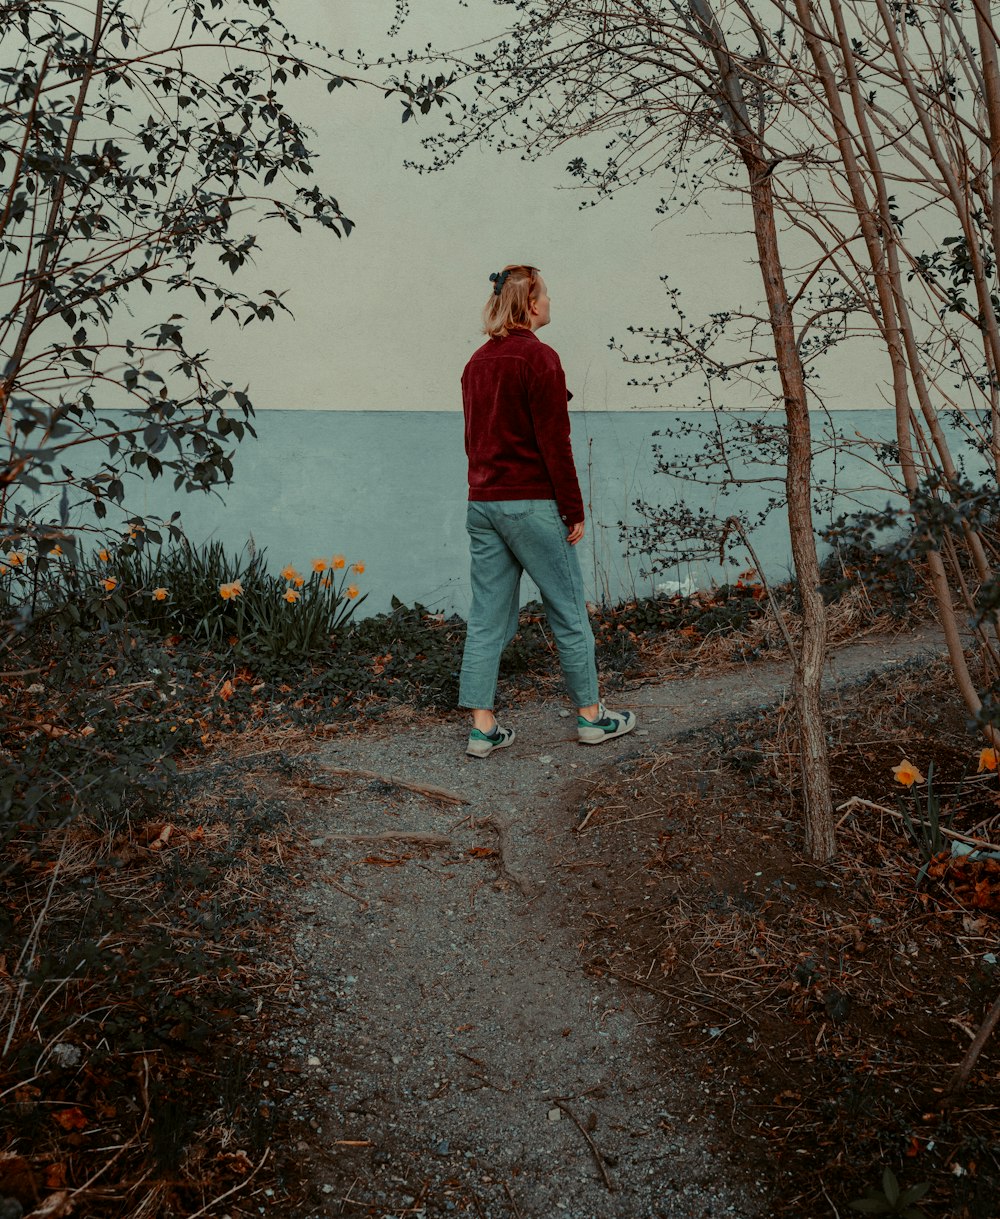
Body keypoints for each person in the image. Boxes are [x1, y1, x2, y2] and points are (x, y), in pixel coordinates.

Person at [458, 263, 637, 758]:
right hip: (531, 504)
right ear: (531, 303)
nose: (551, 302)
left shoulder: (476, 362)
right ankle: (592, 718)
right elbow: (555, 443)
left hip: (484, 504)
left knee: (487, 617)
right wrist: (572, 508)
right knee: (568, 610)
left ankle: (482, 727)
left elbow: (474, 440)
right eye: (547, 295)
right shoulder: (539, 359)